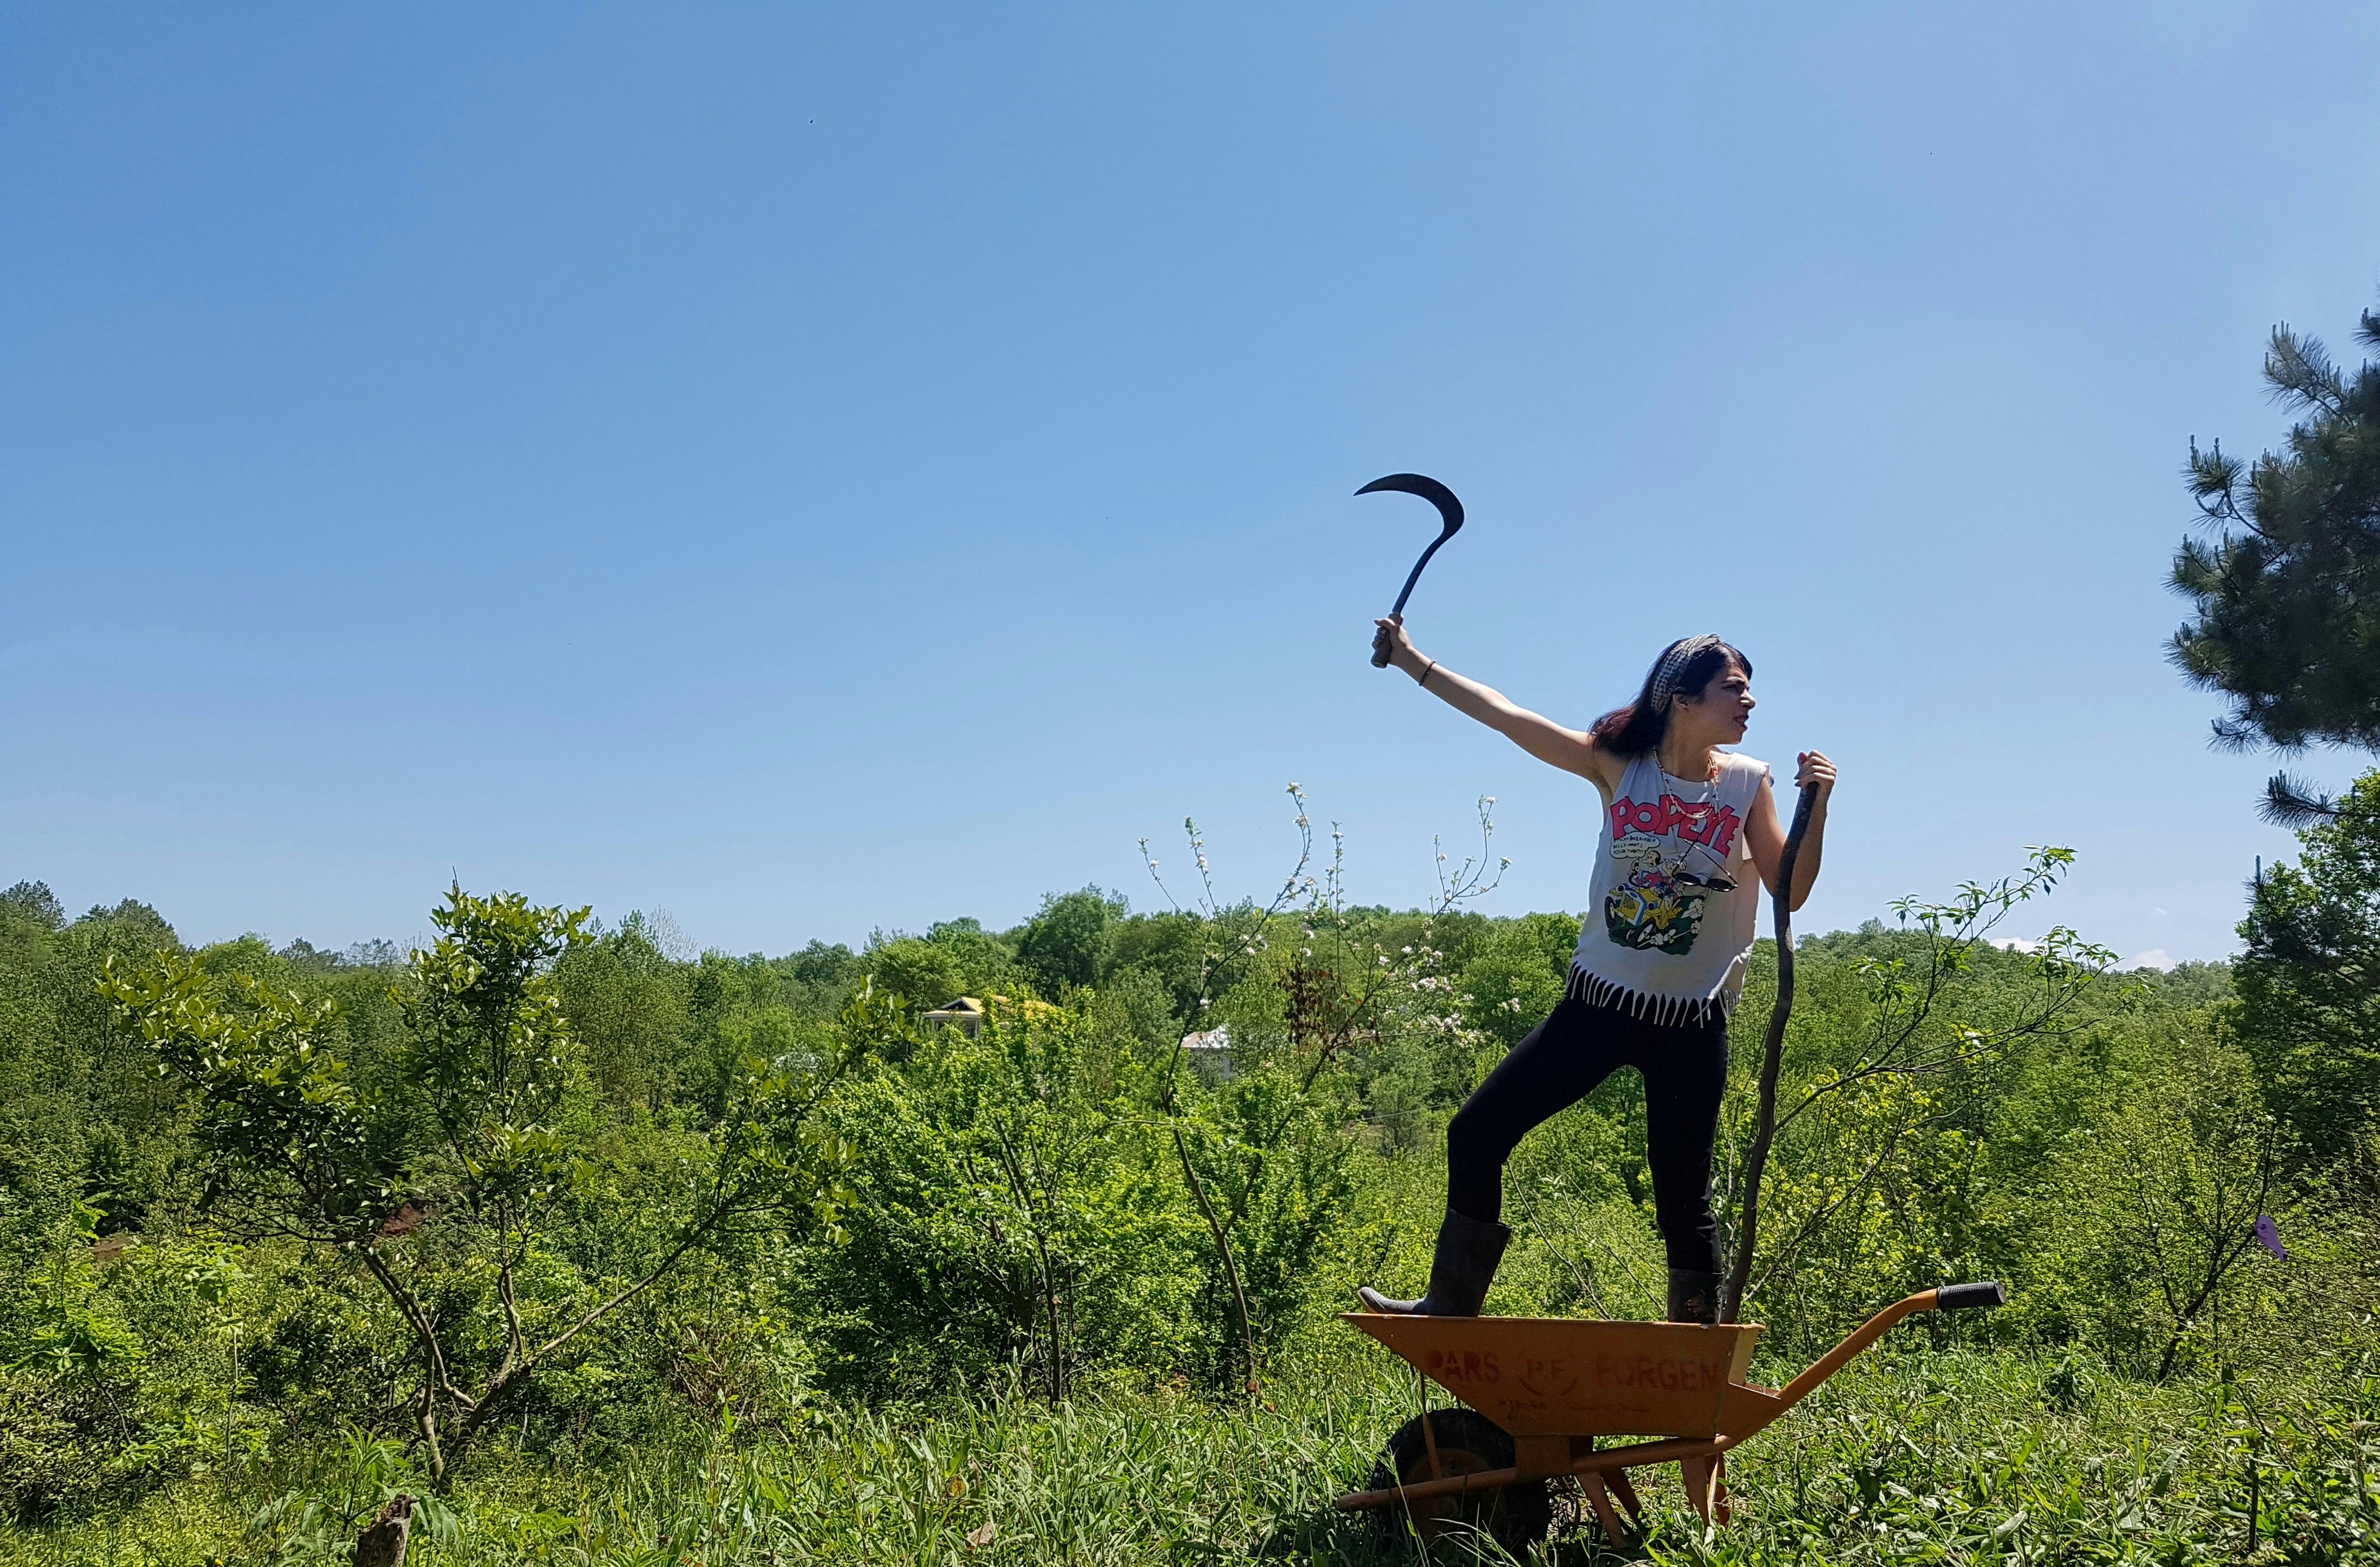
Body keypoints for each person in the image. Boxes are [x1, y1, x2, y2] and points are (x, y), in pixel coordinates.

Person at [1359, 619, 1836, 1324]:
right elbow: (1507, 716)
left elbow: (1788, 888)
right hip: (1599, 1008)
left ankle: (1695, 1350)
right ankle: (1451, 1304)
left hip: (1691, 1021)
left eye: (1750, 690)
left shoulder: (1746, 783)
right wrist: (1410, 660)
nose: (1750, 702)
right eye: (1734, 687)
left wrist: (1817, 805)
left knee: (1683, 1195)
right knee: (1476, 1132)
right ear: (1680, 697)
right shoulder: (1618, 763)